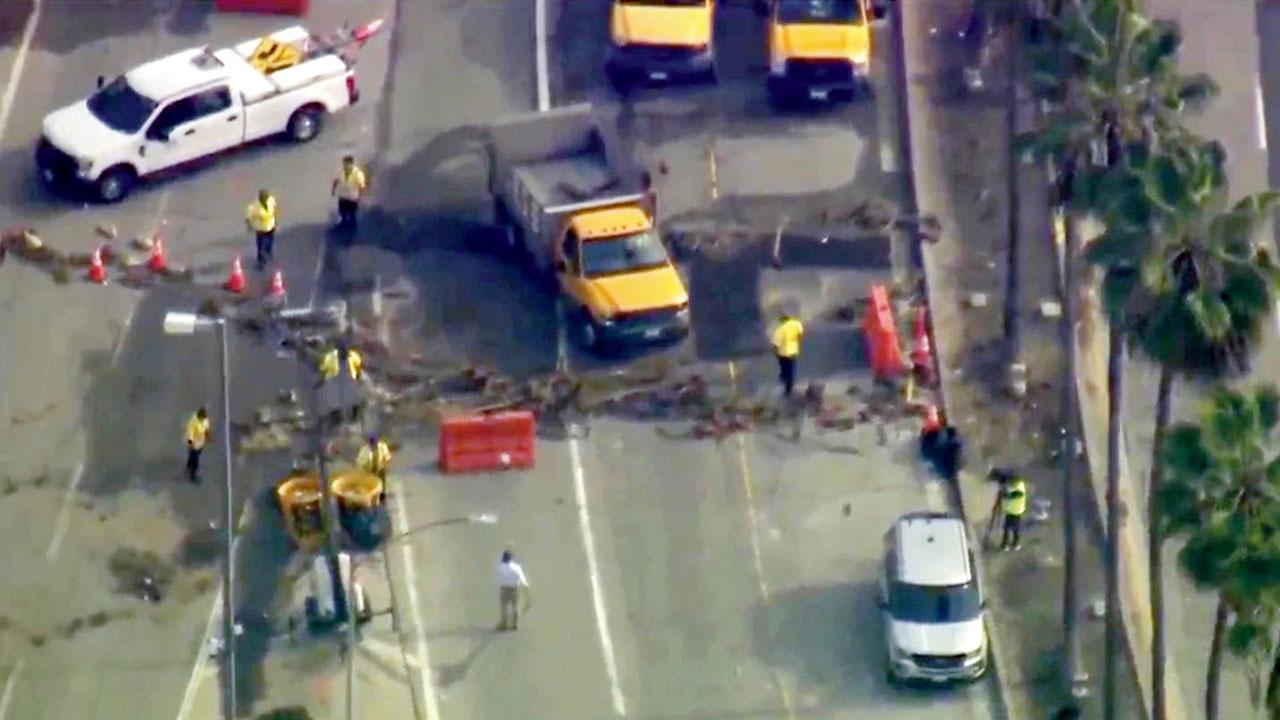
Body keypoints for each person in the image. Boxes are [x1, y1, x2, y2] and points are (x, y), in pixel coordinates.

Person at [318, 341, 365, 423]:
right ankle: (336, 419)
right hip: (335, 381)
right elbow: (324, 370)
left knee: (353, 398)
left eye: (343, 349)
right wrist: (322, 380)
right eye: (340, 350)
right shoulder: (331, 357)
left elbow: (358, 368)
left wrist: (358, 378)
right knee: (335, 400)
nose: (342, 351)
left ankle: (354, 418)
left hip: (349, 380)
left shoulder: (353, 356)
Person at [771, 312, 805, 399]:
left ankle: (787, 390)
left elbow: (775, 343)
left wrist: (775, 352)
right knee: (791, 369)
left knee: (785, 370)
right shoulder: (796, 324)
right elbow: (800, 334)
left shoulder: (780, 329)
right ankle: (789, 387)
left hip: (783, 353)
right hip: (793, 351)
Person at [496, 549, 531, 631]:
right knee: (515, 607)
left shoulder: (500, 567)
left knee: (504, 607)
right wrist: (526, 587)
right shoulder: (516, 568)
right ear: (511, 559)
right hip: (514, 589)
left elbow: (498, 577)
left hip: (504, 588)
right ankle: (515, 625)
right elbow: (523, 579)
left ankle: (504, 624)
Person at [331, 155, 368, 230]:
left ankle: (352, 227)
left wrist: (360, 197)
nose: (345, 165)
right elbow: (336, 181)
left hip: (353, 197)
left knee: (352, 213)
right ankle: (343, 223)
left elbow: (362, 186)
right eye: (344, 163)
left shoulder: (358, 173)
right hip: (343, 196)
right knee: (342, 211)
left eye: (347, 164)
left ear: (351, 164)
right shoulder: (341, 172)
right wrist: (333, 190)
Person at [245, 189, 278, 271]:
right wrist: (249, 225)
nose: (265, 199)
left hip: (271, 226)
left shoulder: (270, 200)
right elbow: (249, 216)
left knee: (270, 241)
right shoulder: (255, 207)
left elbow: (274, 208)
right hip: (261, 229)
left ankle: (269, 252)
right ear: (260, 198)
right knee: (261, 247)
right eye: (263, 198)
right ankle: (261, 262)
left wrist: (275, 219)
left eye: (266, 197)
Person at [1000, 472, 1029, 550]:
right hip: (1011, 510)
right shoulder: (1017, 485)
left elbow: (1009, 496)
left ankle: (1012, 543)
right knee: (1010, 528)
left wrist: (1004, 492)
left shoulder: (1019, 489)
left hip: (1015, 512)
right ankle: (1011, 543)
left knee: (1012, 528)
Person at [184, 407, 211, 484]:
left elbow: (206, 428)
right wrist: (191, 444)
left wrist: (208, 436)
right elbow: (190, 434)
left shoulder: (205, 419)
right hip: (193, 444)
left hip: (200, 442)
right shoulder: (193, 421)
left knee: (194, 456)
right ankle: (193, 476)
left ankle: (189, 466)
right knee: (196, 460)